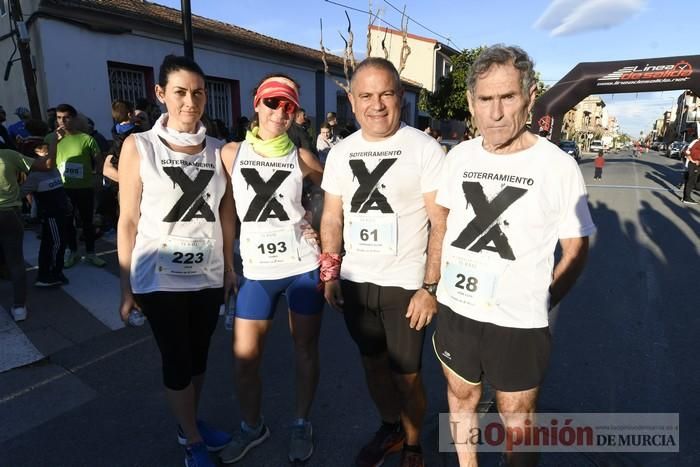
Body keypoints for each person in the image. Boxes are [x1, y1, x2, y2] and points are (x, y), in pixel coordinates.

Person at [432, 45, 596, 467]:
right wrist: (433, 286)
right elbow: (443, 224)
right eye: (485, 100)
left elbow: (576, 247)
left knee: (517, 420)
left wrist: (544, 299)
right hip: (458, 309)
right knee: (461, 395)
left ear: (530, 95)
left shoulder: (557, 166)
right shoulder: (459, 157)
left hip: (520, 322)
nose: (496, 112)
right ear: (471, 103)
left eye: (507, 97)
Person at [320, 57, 447, 467]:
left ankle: (413, 444)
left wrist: (430, 289)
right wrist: (330, 273)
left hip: (405, 286)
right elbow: (332, 216)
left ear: (401, 99)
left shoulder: (425, 148)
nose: (377, 105)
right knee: (373, 366)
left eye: (386, 94)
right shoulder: (341, 152)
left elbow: (439, 222)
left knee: (407, 376)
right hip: (357, 281)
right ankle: (390, 427)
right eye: (367, 96)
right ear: (352, 102)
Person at [117, 54, 235, 467]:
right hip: (158, 277)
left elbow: (226, 213)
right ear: (160, 94)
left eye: (198, 93)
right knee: (177, 359)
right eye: (181, 92)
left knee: (199, 357)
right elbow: (128, 219)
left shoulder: (220, 150)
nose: (191, 101)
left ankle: (190, 423)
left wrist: (230, 270)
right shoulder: (139, 146)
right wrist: (125, 285)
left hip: (207, 274)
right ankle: (192, 442)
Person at [218, 74, 324, 465]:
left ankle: (301, 422)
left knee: (305, 351)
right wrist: (228, 265)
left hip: (302, 267)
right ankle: (252, 426)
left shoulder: (303, 158)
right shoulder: (231, 153)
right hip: (257, 270)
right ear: (256, 105)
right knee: (244, 357)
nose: (280, 112)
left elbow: (333, 193)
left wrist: (316, 218)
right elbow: (227, 208)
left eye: (288, 106)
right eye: (272, 103)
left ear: (295, 114)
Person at [0, 139, 57, 321]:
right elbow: (47, 165)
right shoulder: (8, 155)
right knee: (16, 261)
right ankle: (19, 307)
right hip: (8, 213)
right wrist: (54, 142)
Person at [49, 103, 105, 268]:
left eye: (66, 117)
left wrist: (98, 178)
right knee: (67, 223)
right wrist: (55, 141)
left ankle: (91, 253)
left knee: (87, 222)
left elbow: (99, 161)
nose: (62, 121)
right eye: (59, 118)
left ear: (73, 119)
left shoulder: (87, 139)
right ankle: (72, 252)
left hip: (85, 188)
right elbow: (45, 162)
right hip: (62, 188)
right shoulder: (51, 138)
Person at [20, 143, 71, 287]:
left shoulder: (54, 169)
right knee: (57, 243)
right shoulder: (34, 176)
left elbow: (60, 188)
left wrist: (67, 201)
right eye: (42, 152)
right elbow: (20, 193)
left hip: (61, 212)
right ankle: (51, 274)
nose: (48, 154)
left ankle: (51, 271)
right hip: (51, 216)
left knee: (54, 243)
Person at [682, 137, 700, 204]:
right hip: (694, 165)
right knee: (691, 181)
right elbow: (687, 151)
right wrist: (693, 160)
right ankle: (687, 198)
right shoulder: (697, 142)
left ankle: (686, 197)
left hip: (696, 165)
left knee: (693, 181)